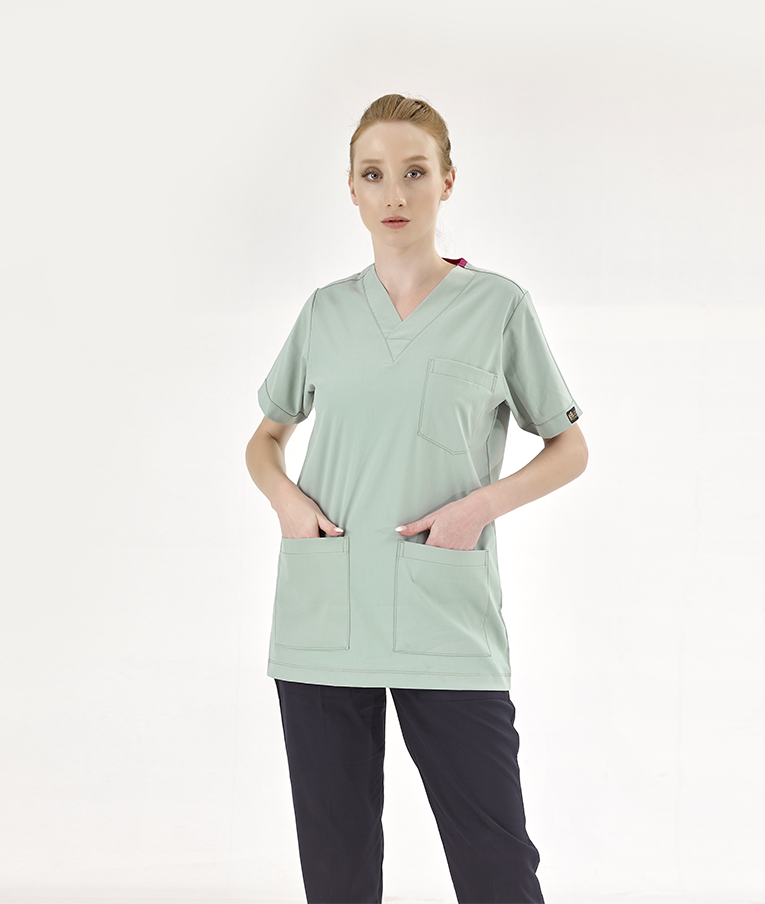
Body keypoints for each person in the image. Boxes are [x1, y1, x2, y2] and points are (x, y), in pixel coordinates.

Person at [245, 93, 588, 904]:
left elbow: (569, 447)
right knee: (337, 873)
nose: (394, 193)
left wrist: (479, 507)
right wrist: (286, 502)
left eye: (414, 172)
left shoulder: (497, 308)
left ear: (447, 182)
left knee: (497, 868)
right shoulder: (325, 313)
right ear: (351, 190)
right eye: (373, 175)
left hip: (445, 619)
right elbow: (265, 440)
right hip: (326, 615)